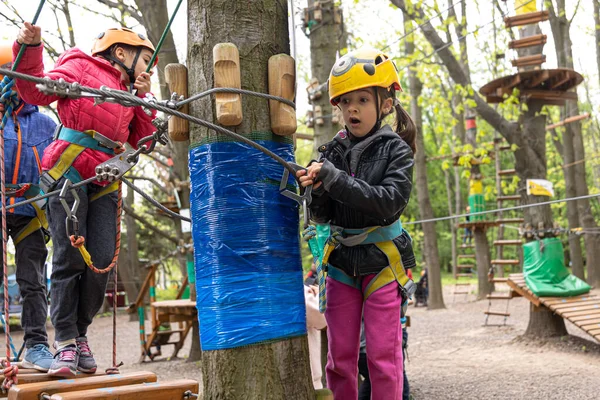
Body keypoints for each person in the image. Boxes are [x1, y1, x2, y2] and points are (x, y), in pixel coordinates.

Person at [14, 22, 157, 377]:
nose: (148, 68)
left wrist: (144, 100)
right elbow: (37, 91)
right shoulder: (79, 63)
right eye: (146, 61)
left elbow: (145, 140)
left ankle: (79, 334)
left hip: (107, 176)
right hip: (69, 168)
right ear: (122, 52)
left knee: (103, 261)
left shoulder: (130, 91)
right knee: (69, 257)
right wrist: (29, 49)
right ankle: (64, 340)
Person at [297, 47, 416, 399]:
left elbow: (388, 204)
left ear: (385, 104)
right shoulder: (330, 152)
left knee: (382, 358)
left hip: (382, 262)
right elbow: (322, 216)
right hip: (343, 264)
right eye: (346, 101)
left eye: (363, 99)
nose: (352, 109)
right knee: (340, 359)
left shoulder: (397, 151)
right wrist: (317, 189)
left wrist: (334, 180)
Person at [0, 45, 56, 371]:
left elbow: (59, 163)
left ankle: (37, 343)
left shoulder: (45, 125)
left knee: (32, 279)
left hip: (30, 210)